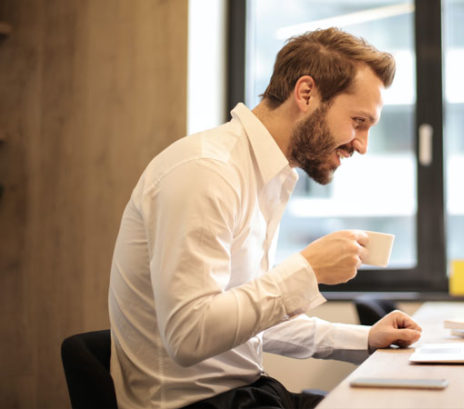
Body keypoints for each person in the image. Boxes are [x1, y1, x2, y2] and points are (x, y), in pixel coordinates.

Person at [108, 27, 422, 409]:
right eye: (358, 122)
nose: (362, 145)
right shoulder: (207, 172)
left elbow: (246, 321)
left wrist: (364, 339)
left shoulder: (267, 175)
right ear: (306, 94)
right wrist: (306, 270)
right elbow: (189, 336)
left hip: (244, 395)